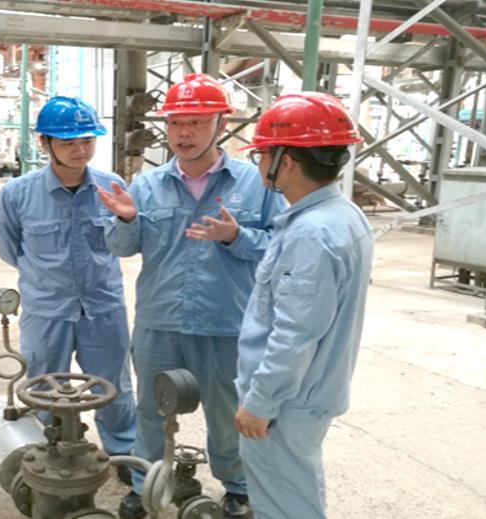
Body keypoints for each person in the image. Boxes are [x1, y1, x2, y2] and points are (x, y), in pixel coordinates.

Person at [98, 73, 286, 519]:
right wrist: (126, 220)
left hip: (226, 323)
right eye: (176, 122)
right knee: (151, 409)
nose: (184, 133)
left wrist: (236, 237)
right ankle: (146, 483)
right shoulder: (146, 185)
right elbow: (121, 248)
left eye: (197, 122)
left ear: (221, 125)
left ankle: (237, 486)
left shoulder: (255, 184)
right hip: (160, 322)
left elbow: (279, 249)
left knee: (227, 413)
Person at [233, 92, 373, 519]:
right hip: (310, 394)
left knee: (282, 502)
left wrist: (261, 402)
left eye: (262, 154)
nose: (259, 164)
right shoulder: (344, 216)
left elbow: (295, 333)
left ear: (287, 162)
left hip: (287, 403)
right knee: (297, 492)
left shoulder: (311, 233)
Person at [0, 96, 137, 482]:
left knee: (115, 386)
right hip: (46, 310)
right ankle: (52, 453)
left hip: (102, 308)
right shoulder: (17, 194)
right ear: (45, 143)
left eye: (87, 141)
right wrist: (46, 277)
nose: (80, 150)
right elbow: (10, 249)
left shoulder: (112, 187)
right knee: (44, 385)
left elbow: (126, 241)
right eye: (68, 142)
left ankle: (123, 451)